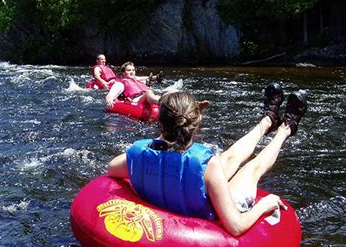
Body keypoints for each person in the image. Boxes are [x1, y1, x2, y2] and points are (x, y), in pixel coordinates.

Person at [106, 84, 308, 237]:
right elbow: (236, 227)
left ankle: (267, 121)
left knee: (228, 158)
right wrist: (263, 205)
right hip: (207, 216)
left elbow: (112, 168)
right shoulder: (206, 166)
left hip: (183, 189)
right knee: (251, 169)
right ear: (196, 124)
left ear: (160, 124)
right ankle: (285, 130)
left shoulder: (138, 155)